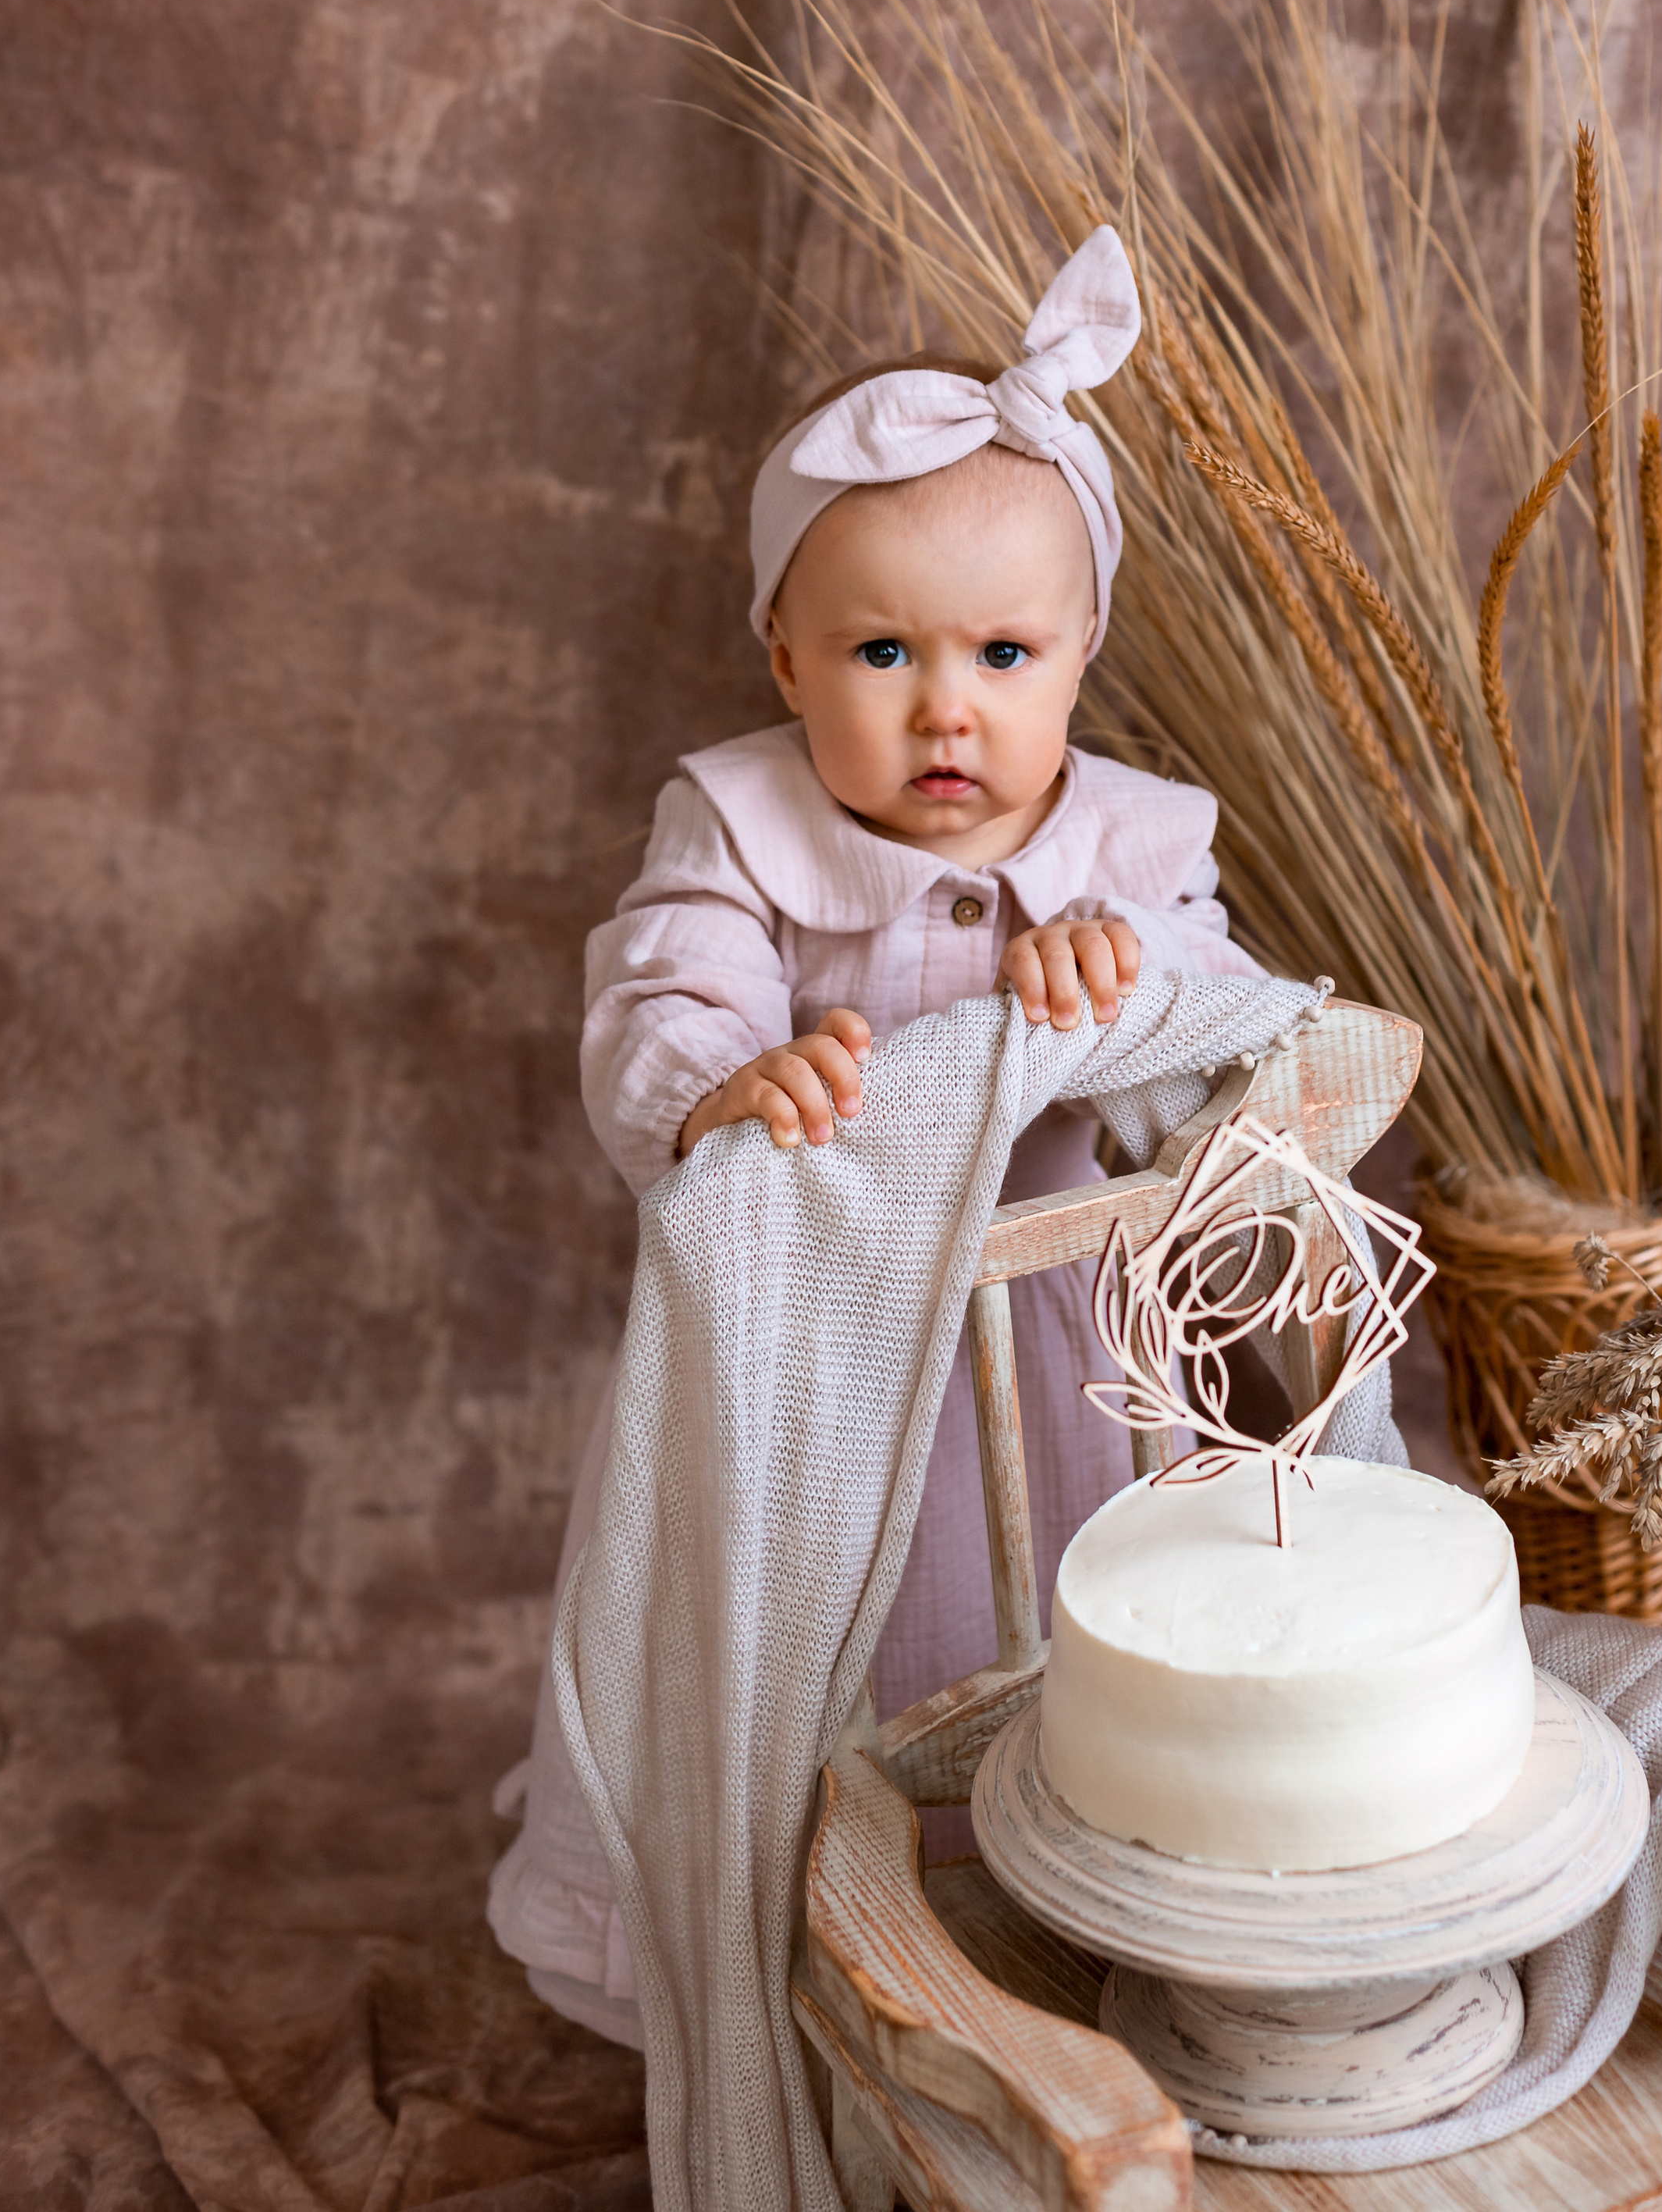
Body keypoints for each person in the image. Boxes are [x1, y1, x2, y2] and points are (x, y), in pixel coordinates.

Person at [488, 227, 1262, 2043]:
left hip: (1063, 1352)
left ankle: (1060, 1917)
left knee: (1069, 1647)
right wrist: (717, 1092)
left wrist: (1127, 985)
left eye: (1003, 649)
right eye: (880, 650)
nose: (945, 708)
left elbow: (1214, 1034)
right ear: (781, 647)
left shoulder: (1130, 853)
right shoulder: (740, 825)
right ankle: (774, 1930)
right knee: (792, 1663)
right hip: (804, 1359)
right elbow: (664, 995)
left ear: (1079, 649)